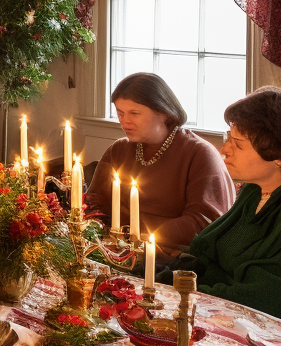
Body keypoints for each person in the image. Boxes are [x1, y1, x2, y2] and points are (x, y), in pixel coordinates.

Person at [165, 87, 281, 324]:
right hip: (215, 312)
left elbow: (267, 301)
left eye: (238, 144)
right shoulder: (255, 190)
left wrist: (186, 294)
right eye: (228, 138)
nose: (224, 151)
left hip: (262, 338)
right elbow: (208, 257)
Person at [84, 72, 235, 258]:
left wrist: (141, 237)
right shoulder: (119, 149)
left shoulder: (200, 154)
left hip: (176, 257)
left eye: (134, 113)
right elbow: (95, 203)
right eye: (120, 113)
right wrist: (106, 236)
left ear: (164, 113)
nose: (125, 121)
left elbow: (203, 222)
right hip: (117, 250)